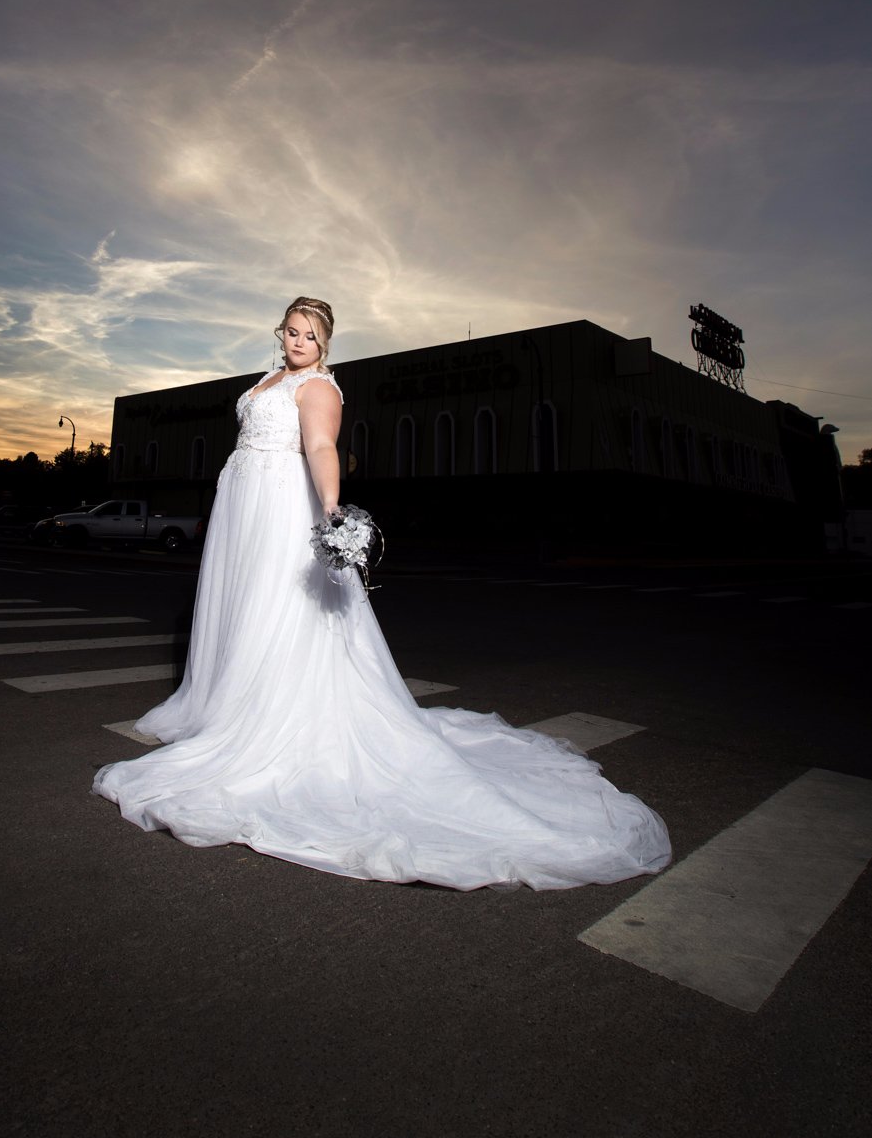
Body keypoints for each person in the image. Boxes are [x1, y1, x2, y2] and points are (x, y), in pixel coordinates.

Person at [93, 298, 671, 890]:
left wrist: (331, 510)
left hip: (278, 506)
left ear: (325, 343)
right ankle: (223, 700)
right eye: (291, 331)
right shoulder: (270, 378)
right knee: (240, 606)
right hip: (243, 501)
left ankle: (262, 714)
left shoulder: (320, 388)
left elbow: (322, 448)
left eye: (310, 336)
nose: (298, 342)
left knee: (278, 607)